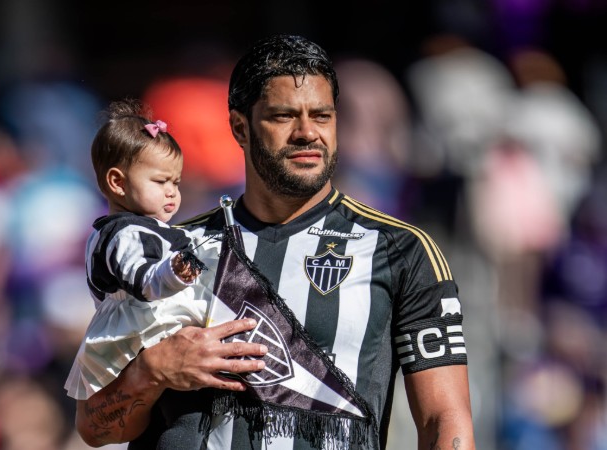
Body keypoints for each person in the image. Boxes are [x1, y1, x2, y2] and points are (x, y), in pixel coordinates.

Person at [75, 35, 476, 449]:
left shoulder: (401, 250)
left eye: (322, 116)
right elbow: (96, 427)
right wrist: (151, 372)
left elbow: (445, 421)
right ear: (239, 127)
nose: (307, 133)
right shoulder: (171, 251)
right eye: (284, 116)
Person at [64, 100, 207, 401]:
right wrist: (175, 270)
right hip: (141, 330)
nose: (172, 191)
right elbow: (145, 282)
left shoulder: (142, 228)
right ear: (117, 182)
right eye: (160, 181)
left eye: (176, 182)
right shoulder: (125, 233)